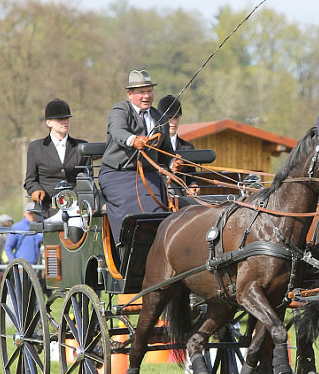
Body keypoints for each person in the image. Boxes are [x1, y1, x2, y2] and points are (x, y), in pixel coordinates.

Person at [98, 69, 175, 244]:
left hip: (148, 177)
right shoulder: (120, 109)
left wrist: (173, 162)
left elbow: (167, 152)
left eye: (149, 91)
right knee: (129, 214)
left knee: (157, 214)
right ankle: (125, 250)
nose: (146, 96)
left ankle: (156, 251)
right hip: (117, 175)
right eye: (141, 92)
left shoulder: (160, 117)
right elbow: (117, 131)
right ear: (130, 94)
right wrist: (133, 140)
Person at [24, 98, 90, 217]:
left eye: (67, 119)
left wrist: (71, 200)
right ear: (48, 122)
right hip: (48, 208)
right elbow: (30, 180)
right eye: (60, 119)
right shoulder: (36, 148)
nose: (65, 122)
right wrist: (36, 190)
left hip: (76, 207)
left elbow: (87, 177)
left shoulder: (82, 146)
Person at [156, 94, 195, 190]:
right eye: (169, 118)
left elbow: (191, 177)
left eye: (176, 118)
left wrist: (193, 185)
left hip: (179, 194)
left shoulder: (188, 147)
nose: (173, 122)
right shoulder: (153, 146)